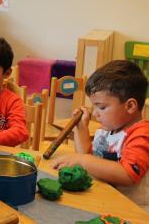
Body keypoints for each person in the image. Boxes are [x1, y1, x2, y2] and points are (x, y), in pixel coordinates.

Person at [51, 60, 148, 210]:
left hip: (131, 210)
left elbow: (127, 175)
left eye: (101, 107)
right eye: (94, 106)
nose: (95, 113)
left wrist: (83, 160)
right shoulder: (109, 129)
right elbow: (91, 159)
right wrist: (81, 128)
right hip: (104, 202)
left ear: (130, 106)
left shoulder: (141, 134)